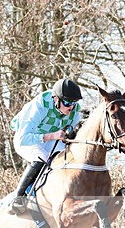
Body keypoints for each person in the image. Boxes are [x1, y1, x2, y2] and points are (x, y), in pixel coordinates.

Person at [8, 78, 84, 214]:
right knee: (42, 157)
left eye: (73, 103)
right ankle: (18, 198)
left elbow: (72, 131)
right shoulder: (39, 106)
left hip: (51, 139)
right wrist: (51, 136)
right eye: (67, 103)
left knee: (67, 159)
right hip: (28, 139)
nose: (71, 108)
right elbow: (22, 138)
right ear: (56, 99)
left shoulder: (74, 110)